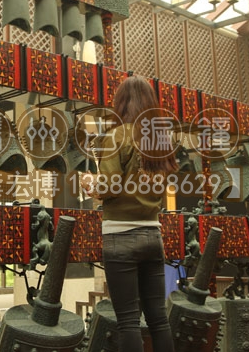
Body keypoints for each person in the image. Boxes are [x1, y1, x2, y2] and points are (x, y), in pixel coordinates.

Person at [83, 75, 178, 351]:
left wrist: (89, 184)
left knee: (128, 321)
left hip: (120, 236)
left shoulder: (117, 136)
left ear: (122, 102)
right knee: (159, 319)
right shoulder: (161, 140)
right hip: (152, 235)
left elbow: (109, 186)